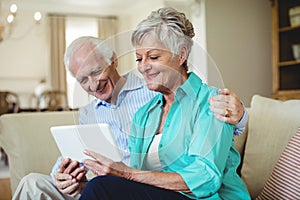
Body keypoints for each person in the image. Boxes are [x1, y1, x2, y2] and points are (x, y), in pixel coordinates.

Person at [13, 35, 247, 199]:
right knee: (32, 183)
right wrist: (64, 175)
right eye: (83, 80)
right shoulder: (88, 113)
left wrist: (241, 115)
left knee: (102, 187)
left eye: (96, 72)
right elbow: (77, 156)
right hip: (97, 182)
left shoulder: (153, 89)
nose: (93, 84)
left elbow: (211, 115)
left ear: (113, 60)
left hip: (135, 183)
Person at [79, 7, 250, 200]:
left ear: (181, 54)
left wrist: (124, 174)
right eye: (139, 58)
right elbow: (135, 183)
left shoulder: (212, 103)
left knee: (101, 188)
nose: (143, 66)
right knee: (97, 187)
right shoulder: (144, 115)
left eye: (153, 57)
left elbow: (205, 179)